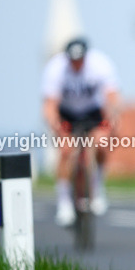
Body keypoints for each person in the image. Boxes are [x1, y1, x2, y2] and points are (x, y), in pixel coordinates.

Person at [41, 38, 121, 226]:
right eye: (73, 60)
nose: (77, 64)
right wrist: (57, 128)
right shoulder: (55, 68)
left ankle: (97, 186)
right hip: (67, 114)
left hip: (93, 112)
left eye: (80, 60)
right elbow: (50, 105)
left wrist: (112, 121)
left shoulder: (101, 64)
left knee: (101, 143)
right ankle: (64, 203)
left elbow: (113, 98)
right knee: (66, 150)